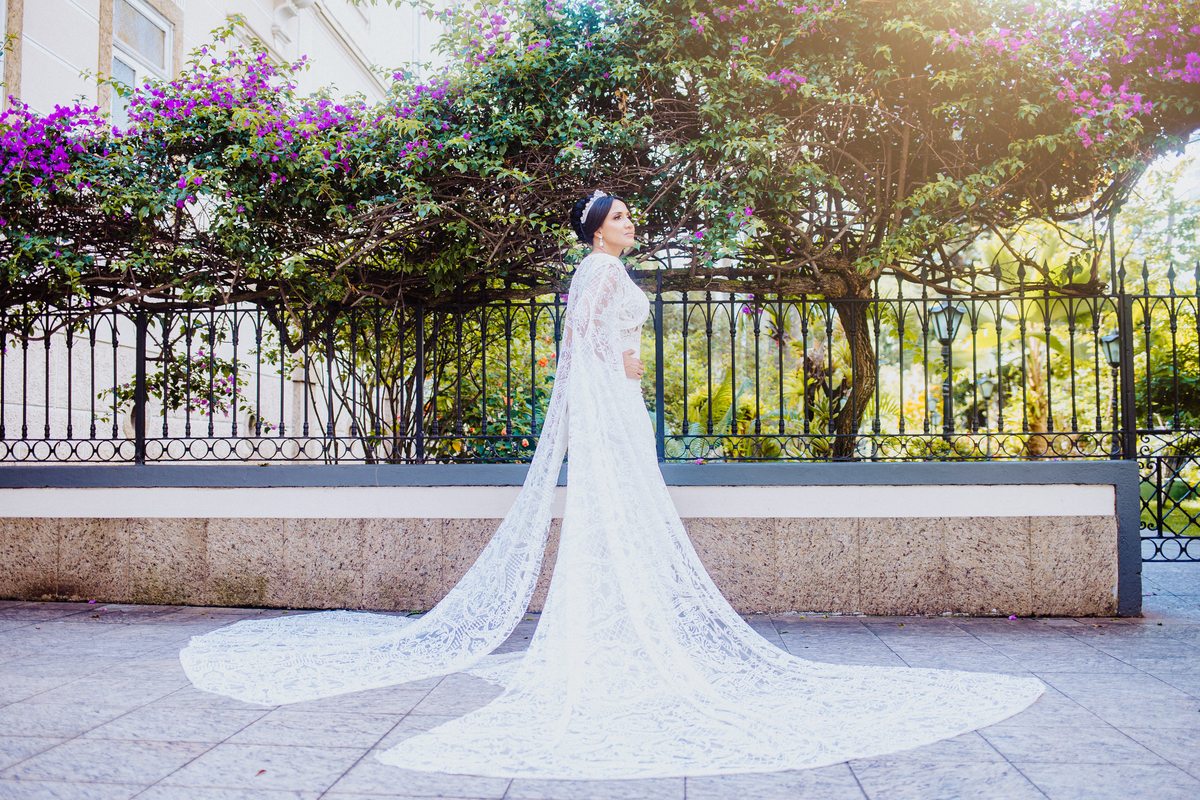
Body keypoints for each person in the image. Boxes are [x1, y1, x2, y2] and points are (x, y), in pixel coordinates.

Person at [181, 190, 1044, 780]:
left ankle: (617, 626)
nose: (632, 224)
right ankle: (609, 634)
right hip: (609, 413)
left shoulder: (603, 272)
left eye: (630, 216)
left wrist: (625, 391)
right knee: (610, 518)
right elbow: (581, 352)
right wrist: (610, 402)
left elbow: (604, 350)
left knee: (617, 523)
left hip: (621, 408)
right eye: (623, 216)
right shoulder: (596, 272)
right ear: (600, 230)